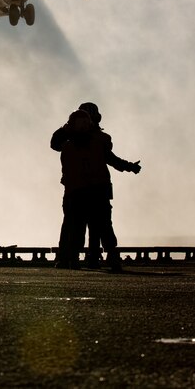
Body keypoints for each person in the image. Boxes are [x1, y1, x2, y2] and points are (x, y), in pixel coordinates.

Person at [51, 103, 141, 271]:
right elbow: (113, 160)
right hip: (92, 191)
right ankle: (103, 257)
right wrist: (130, 167)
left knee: (78, 226)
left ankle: (74, 258)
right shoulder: (96, 140)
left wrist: (130, 167)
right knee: (100, 225)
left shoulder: (70, 141)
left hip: (80, 191)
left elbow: (54, 142)